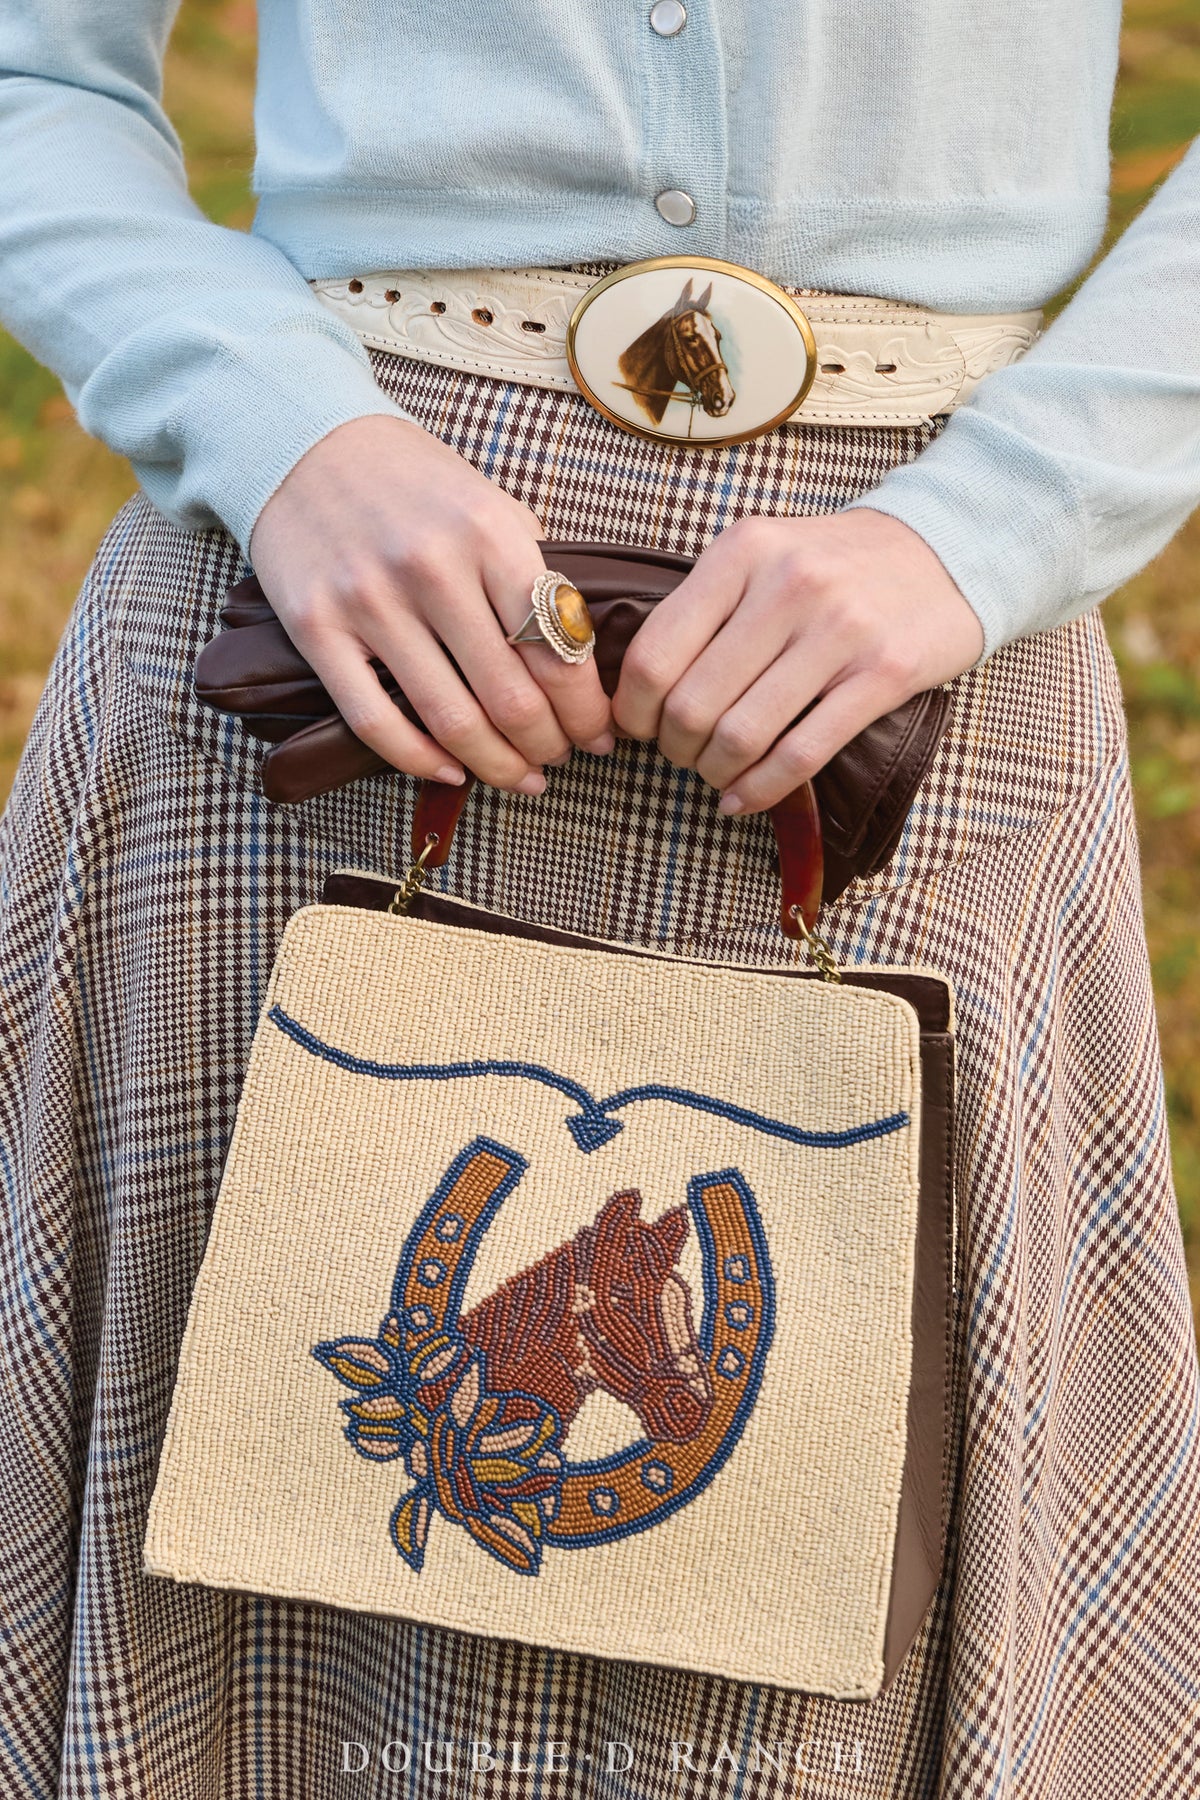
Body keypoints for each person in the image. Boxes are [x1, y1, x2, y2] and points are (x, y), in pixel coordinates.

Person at [1, 2, 1199, 1796]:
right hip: (325, 620)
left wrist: (1006, 519)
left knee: (815, 1649)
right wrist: (277, 431)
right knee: (203, 1597)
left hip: (910, 656)